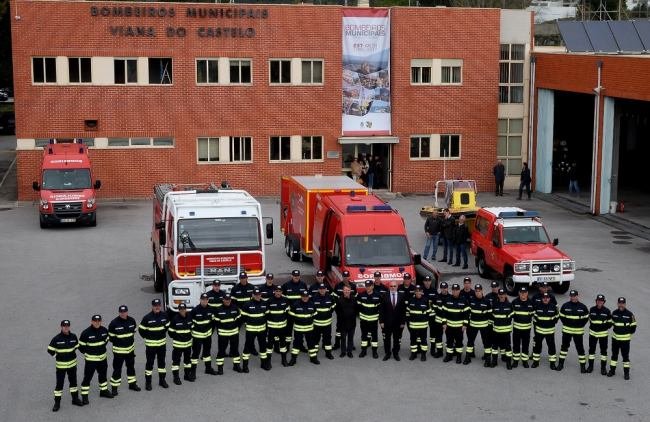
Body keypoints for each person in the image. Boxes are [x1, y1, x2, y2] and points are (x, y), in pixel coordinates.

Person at [48, 320, 84, 411]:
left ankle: (75, 399)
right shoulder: (56, 338)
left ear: (69, 327)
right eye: (64, 326)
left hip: (72, 365)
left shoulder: (73, 336)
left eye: (67, 326)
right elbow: (50, 350)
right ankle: (57, 403)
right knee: (59, 385)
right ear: (61, 327)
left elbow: (77, 347)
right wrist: (57, 356)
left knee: (73, 383)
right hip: (61, 367)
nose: (66, 327)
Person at [79, 314, 112, 403]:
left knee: (103, 376)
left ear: (101, 321)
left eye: (99, 321)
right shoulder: (86, 333)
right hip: (91, 360)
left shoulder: (104, 330)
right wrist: (88, 353)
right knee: (88, 377)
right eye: (95, 321)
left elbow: (106, 340)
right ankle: (84, 395)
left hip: (102, 359)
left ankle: (103, 391)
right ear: (92, 322)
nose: (97, 323)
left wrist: (100, 350)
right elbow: (81, 347)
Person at [108, 305, 140, 396]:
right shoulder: (114, 323)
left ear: (127, 312)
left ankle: (132, 384)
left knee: (131, 368)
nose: (123, 313)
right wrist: (121, 343)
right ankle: (114, 388)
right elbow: (111, 338)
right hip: (119, 352)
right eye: (121, 312)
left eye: (124, 312)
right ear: (119, 312)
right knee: (117, 370)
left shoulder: (132, 320)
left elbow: (134, 332)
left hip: (130, 351)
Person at [139, 299, 170, 390]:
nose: (157, 307)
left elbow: (167, 326)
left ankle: (162, 380)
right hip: (151, 346)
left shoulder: (165, 315)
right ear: (152, 306)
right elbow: (141, 330)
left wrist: (161, 333)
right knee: (149, 364)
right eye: (155, 306)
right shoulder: (147, 318)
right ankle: (148, 383)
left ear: (160, 306)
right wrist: (148, 337)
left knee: (162, 363)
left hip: (162, 345)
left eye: (158, 305)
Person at [557, 290, 589, 372]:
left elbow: (586, 318)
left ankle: (583, 366)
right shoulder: (565, 306)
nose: (573, 297)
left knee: (580, 348)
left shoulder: (583, 307)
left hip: (578, 332)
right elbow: (561, 316)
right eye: (571, 296)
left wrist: (580, 325)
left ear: (578, 296)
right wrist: (567, 324)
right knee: (564, 347)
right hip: (567, 331)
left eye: (574, 296)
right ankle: (560, 364)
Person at [241, 288, 270, 372]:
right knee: (247, 347)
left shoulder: (264, 303)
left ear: (261, 295)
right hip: (251, 330)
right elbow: (243, 317)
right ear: (252, 295)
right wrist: (248, 323)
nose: (258, 296)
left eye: (259, 294)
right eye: (256, 295)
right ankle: (245, 366)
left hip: (262, 330)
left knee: (263, 347)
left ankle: (263, 364)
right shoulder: (247, 304)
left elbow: (267, 316)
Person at [607, 297, 637, 380]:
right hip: (615, 339)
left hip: (625, 340)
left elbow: (633, 326)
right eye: (619, 303)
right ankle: (612, 371)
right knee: (614, 356)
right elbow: (610, 324)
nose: (621, 305)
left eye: (622, 303)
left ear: (625, 304)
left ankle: (626, 373)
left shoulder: (630, 314)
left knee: (625, 357)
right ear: (617, 304)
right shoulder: (614, 313)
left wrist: (627, 333)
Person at [288, 290, 319, 365]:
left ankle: (313, 358)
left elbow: (315, 314)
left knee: (311, 344)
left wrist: (309, 320)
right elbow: (291, 316)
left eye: (306, 296)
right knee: (296, 344)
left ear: (308, 297)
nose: (305, 298)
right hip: (299, 328)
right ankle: (293, 359)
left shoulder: (312, 304)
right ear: (301, 296)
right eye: (303, 296)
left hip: (309, 328)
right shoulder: (295, 305)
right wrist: (299, 320)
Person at [214, 294, 243, 374]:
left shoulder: (235, 308)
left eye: (229, 299)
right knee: (221, 351)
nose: (228, 301)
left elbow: (239, 320)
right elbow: (216, 322)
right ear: (223, 300)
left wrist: (236, 328)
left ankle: (236, 366)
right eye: (226, 299)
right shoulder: (218, 309)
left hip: (234, 333)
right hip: (223, 334)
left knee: (235, 350)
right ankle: (220, 368)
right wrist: (221, 330)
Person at [464, 284, 492, 366]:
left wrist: (490, 326)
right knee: (470, 342)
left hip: (484, 326)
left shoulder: (487, 301)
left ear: (482, 291)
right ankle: (468, 357)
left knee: (486, 343)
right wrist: (466, 324)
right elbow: (467, 313)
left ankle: (487, 359)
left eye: (479, 291)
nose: (477, 292)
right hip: (473, 325)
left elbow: (490, 315)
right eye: (476, 291)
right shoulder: (471, 301)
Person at [191, 293, 217, 377]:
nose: (204, 301)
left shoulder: (211, 309)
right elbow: (189, 323)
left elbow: (213, 322)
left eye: (206, 300)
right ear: (200, 300)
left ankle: (208, 369)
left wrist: (210, 332)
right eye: (203, 300)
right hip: (197, 336)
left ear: (208, 300)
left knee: (207, 353)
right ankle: (193, 372)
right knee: (195, 354)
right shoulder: (195, 310)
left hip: (207, 336)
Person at [379, 281, 406, 361]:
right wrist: (381, 321)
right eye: (391, 286)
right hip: (387, 322)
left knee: (396, 339)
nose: (393, 287)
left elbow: (403, 310)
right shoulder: (384, 295)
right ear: (389, 287)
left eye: (394, 286)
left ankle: (395, 353)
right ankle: (387, 353)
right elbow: (381, 310)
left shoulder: (402, 296)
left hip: (398, 323)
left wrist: (403, 322)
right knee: (387, 339)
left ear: (397, 287)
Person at [531, 292, 559, 369]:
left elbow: (557, 317)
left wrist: (551, 323)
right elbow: (534, 318)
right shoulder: (537, 307)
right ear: (542, 299)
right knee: (537, 347)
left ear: (549, 299)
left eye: (547, 298)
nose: (545, 299)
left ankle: (552, 363)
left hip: (550, 332)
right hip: (539, 332)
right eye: (544, 298)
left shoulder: (553, 307)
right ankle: (535, 362)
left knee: (551, 347)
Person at [442, 284, 469, 364]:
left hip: (459, 327)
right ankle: (449, 355)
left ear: (459, 291)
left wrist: (465, 324)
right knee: (449, 341)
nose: (455, 291)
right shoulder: (447, 300)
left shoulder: (464, 300)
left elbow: (467, 314)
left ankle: (458, 356)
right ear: (452, 291)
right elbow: (444, 313)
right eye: (453, 290)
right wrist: (444, 323)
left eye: (456, 290)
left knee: (459, 342)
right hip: (449, 326)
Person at [168, 303, 193, 384]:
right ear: (179, 310)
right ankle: (176, 378)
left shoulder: (189, 317)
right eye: (181, 309)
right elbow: (170, 332)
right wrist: (178, 337)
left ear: (186, 309)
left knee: (187, 362)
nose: (182, 311)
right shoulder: (175, 319)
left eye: (183, 309)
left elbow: (192, 328)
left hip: (188, 345)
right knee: (176, 362)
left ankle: (187, 375)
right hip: (178, 346)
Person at [266, 285, 290, 367]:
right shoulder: (269, 301)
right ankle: (268, 361)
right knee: (270, 345)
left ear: (282, 292)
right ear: (274, 292)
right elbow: (266, 314)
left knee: (283, 344)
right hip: (272, 328)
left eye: (280, 291)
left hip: (282, 327)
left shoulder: (285, 300)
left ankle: (284, 360)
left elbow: (287, 313)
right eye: (277, 291)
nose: (278, 293)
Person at [587, 294, 612, 375]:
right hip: (593, 334)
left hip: (603, 335)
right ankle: (590, 367)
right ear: (596, 301)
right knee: (591, 351)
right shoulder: (592, 309)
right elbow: (590, 320)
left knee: (603, 352)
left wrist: (603, 328)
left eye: (601, 301)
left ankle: (603, 368)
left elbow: (610, 323)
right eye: (598, 300)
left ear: (604, 302)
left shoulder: (607, 311)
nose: (599, 302)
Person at [282, 269, 308, 346]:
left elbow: (306, 298)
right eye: (294, 276)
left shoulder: (303, 285)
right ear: (291, 276)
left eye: (297, 276)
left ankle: (300, 345)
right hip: (290, 313)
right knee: (288, 330)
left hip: (300, 313)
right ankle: (287, 346)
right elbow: (282, 298)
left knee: (300, 330)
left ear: (299, 276)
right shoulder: (286, 285)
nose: (296, 277)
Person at [333, 270, 357, 350]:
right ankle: (337, 344)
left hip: (350, 313)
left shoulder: (353, 286)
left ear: (349, 277)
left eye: (347, 277)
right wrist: (338, 312)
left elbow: (355, 299)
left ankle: (351, 345)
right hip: (340, 312)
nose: (345, 278)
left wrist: (353, 312)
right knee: (339, 329)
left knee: (351, 330)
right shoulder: (338, 286)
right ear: (342, 277)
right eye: (344, 277)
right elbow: (335, 298)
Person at [511, 287, 535, 368]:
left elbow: (534, 315)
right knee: (516, 345)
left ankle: (525, 361)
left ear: (527, 293)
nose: (523, 294)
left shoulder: (531, 303)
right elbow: (511, 314)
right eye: (521, 292)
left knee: (525, 345)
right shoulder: (514, 302)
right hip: (516, 329)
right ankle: (515, 361)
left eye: (524, 292)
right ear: (519, 293)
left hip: (526, 330)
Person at [357, 280, 381, 359]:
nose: (368, 287)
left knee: (374, 336)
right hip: (364, 320)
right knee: (364, 336)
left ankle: (374, 352)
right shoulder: (361, 295)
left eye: (369, 286)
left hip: (374, 320)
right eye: (366, 286)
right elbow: (358, 307)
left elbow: (380, 308)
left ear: (372, 286)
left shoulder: (378, 295)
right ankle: (363, 351)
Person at [490, 289, 514, 369]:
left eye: (503, 294)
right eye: (500, 294)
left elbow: (512, 315)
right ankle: (494, 361)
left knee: (508, 348)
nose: (501, 295)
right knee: (494, 347)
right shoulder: (494, 305)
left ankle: (508, 363)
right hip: (496, 331)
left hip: (506, 331)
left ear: (505, 295)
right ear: (498, 295)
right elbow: (492, 316)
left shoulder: (509, 305)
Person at [407, 285, 431, 361]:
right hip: (413, 325)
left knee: (423, 340)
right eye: (416, 291)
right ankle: (413, 354)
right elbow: (408, 312)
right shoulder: (411, 300)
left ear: (422, 292)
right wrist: (409, 321)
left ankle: (423, 354)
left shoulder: (426, 300)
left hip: (423, 325)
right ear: (414, 292)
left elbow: (429, 312)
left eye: (419, 291)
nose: (418, 292)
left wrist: (425, 320)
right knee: (413, 340)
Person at [312, 283, 336, 360]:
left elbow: (334, 305)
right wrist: (315, 314)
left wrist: (329, 312)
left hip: (327, 323)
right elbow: (311, 308)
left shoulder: (330, 297)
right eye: (320, 289)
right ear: (318, 290)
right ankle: (314, 353)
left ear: (326, 289)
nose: (322, 290)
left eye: (323, 289)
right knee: (315, 339)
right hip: (317, 324)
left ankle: (328, 353)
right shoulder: (314, 298)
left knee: (327, 339)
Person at [336, 285, 357, 358]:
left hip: (352, 322)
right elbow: (337, 311)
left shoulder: (354, 299)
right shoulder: (339, 300)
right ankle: (343, 352)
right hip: (343, 323)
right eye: (345, 290)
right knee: (343, 338)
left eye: (348, 290)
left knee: (350, 338)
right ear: (343, 291)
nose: (347, 291)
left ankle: (349, 352)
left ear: (350, 291)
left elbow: (356, 309)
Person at [431, 282, 450, 358]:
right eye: (442, 288)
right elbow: (433, 309)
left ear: (447, 288)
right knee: (438, 337)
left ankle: (449, 352)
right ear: (440, 289)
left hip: (448, 322)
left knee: (449, 337)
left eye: (445, 288)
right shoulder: (436, 297)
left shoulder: (450, 297)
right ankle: (439, 352)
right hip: (438, 321)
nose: (443, 289)